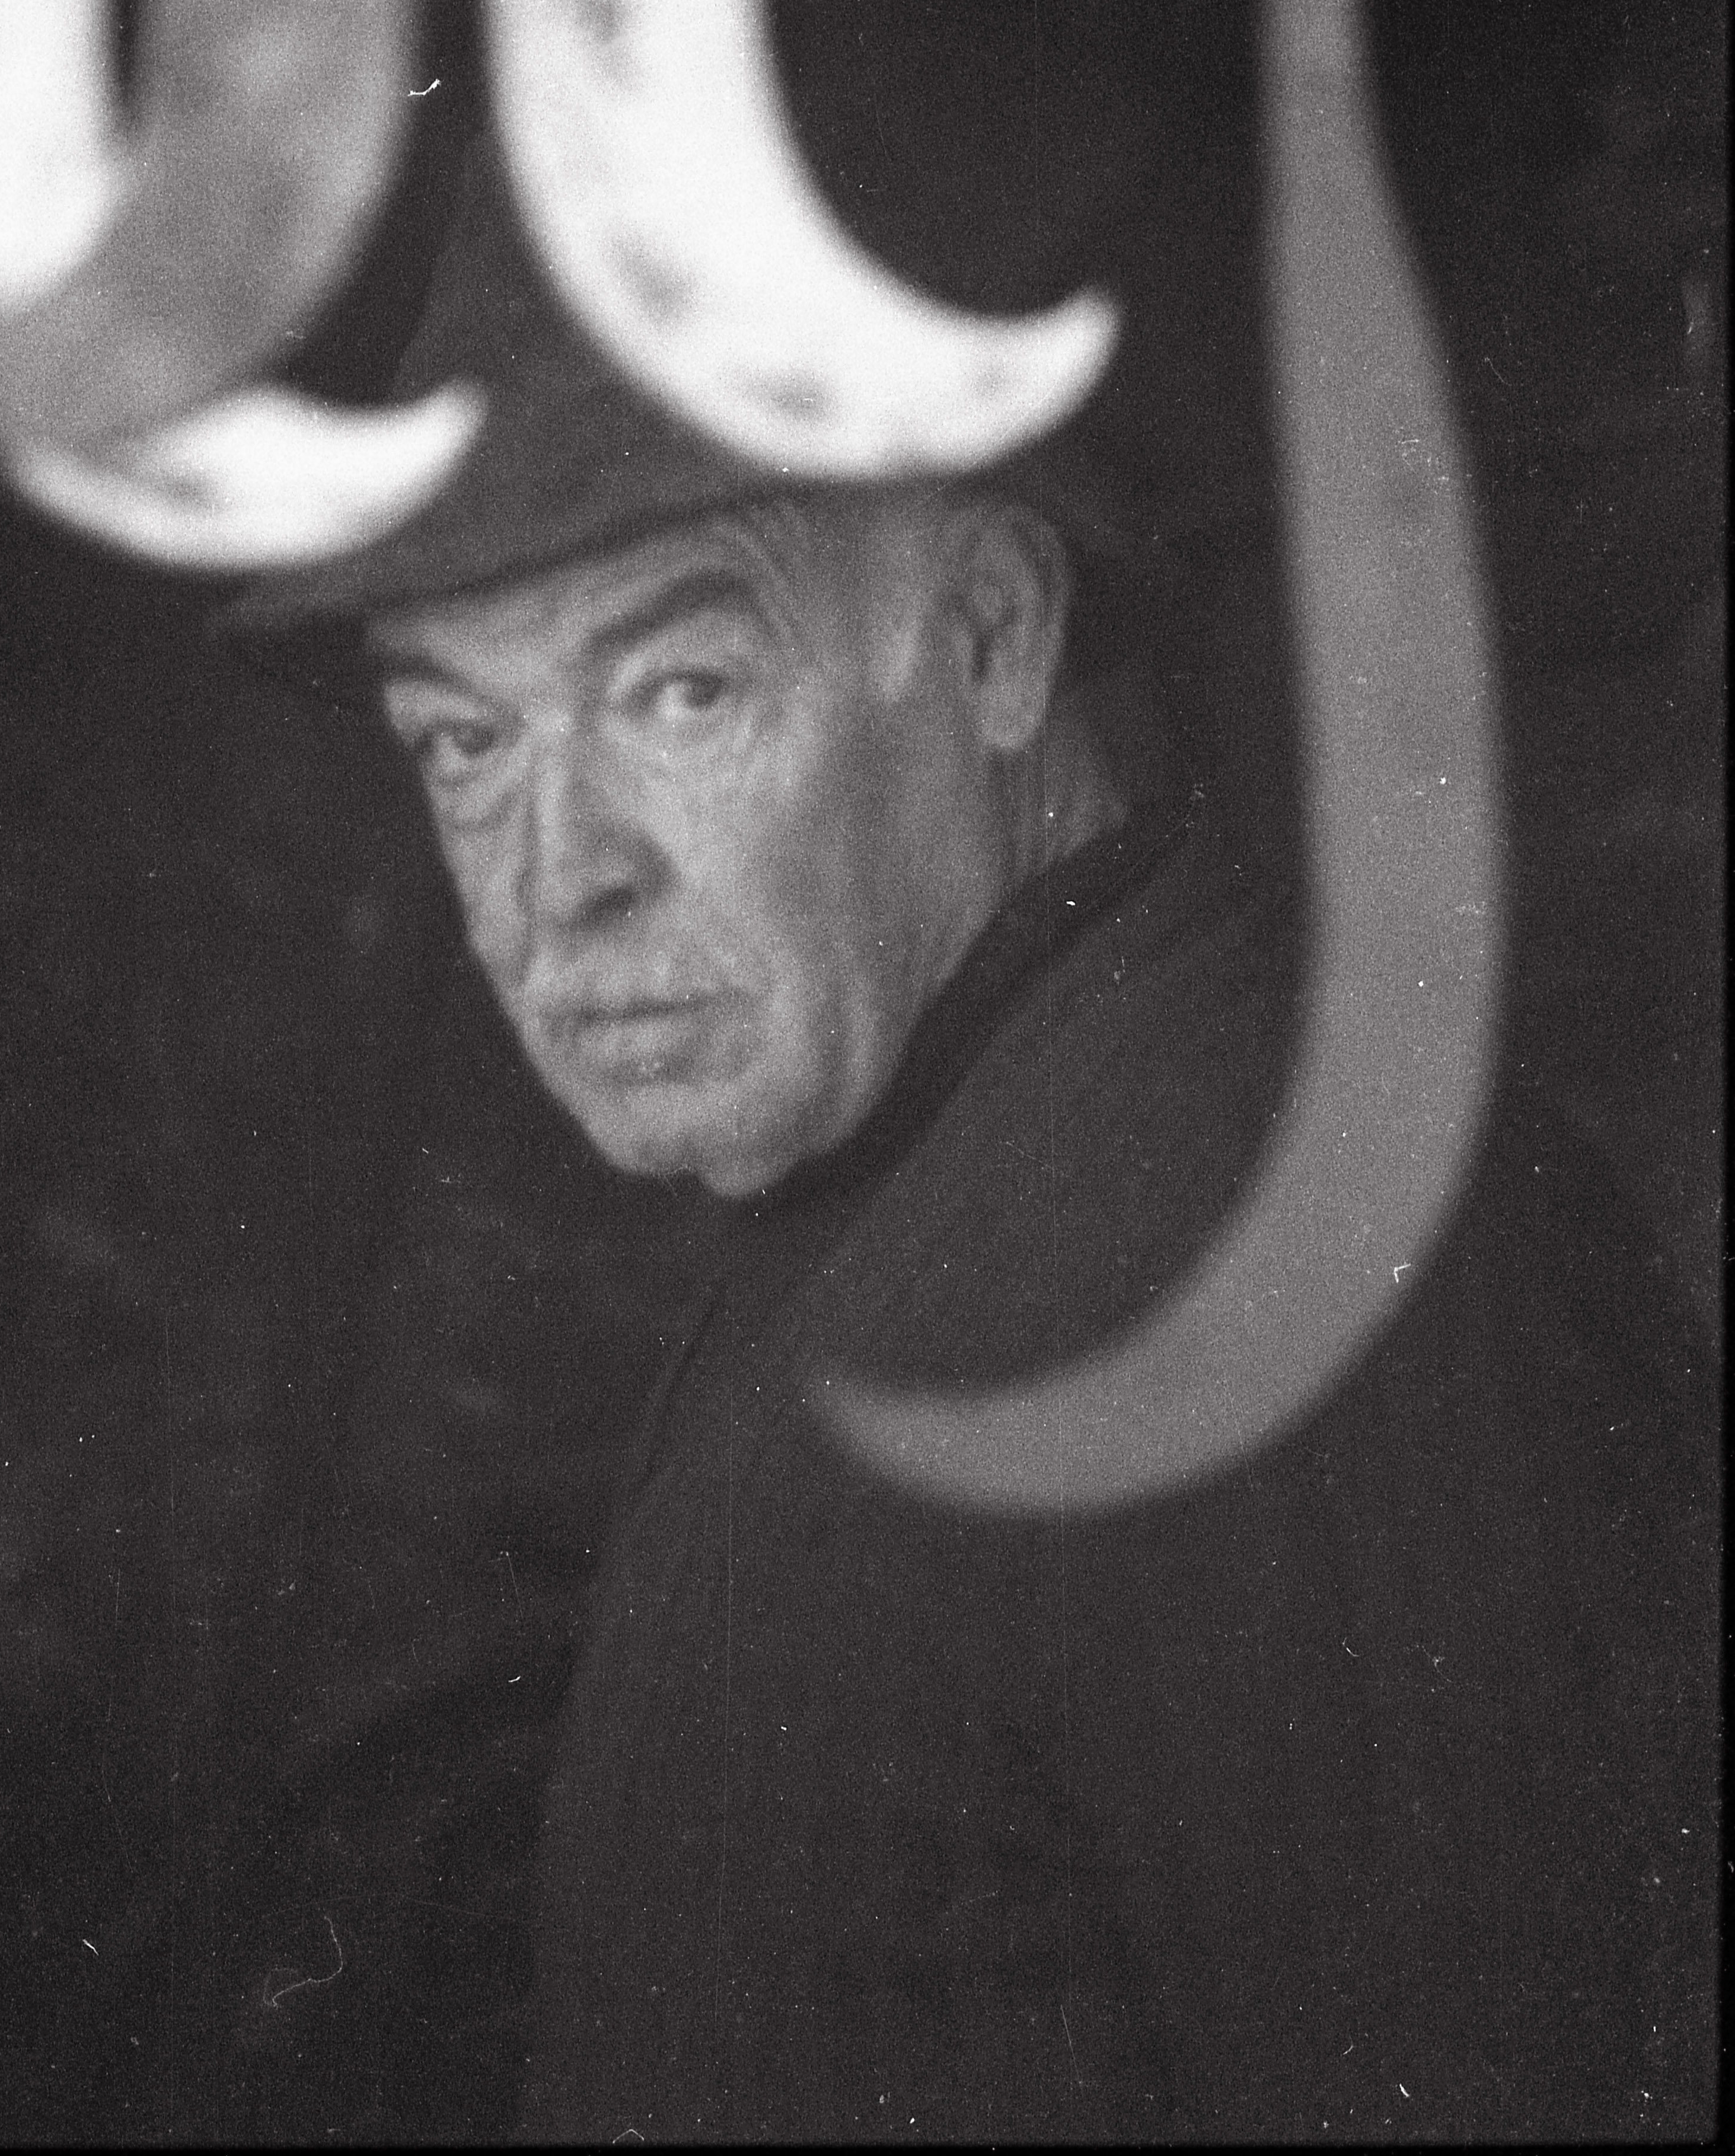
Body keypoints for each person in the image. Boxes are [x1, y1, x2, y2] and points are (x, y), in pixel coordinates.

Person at [234, 148, 1714, 2141]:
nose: (556, 877)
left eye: (679, 688)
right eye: (465, 742)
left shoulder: (1280, 1285)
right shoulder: (971, 1162)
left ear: (995, 636)